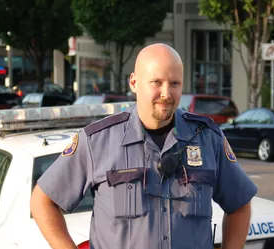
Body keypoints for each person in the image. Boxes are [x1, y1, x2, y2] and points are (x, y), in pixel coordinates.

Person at [30, 43, 258, 249]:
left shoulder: (208, 139)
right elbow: (43, 200)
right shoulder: (97, 141)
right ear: (134, 82)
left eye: (174, 83)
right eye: (156, 82)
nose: (166, 94)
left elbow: (239, 205)